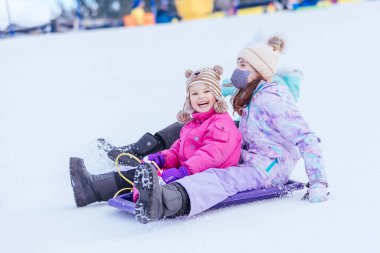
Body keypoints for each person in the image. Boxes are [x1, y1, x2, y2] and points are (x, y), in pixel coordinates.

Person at [132, 35, 329, 224]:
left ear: (258, 69)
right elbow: (220, 86)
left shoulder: (273, 98)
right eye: (237, 64)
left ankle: (164, 201)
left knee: (220, 178)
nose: (237, 70)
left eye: (242, 65)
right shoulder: (250, 92)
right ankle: (151, 158)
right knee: (201, 137)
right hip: (249, 156)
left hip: (269, 166)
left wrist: (318, 182)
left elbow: (306, 137)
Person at [70, 65, 242, 207]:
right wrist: (162, 158)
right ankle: (92, 188)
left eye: (206, 91)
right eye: (195, 94)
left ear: (216, 95)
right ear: (189, 100)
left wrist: (182, 171)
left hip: (208, 175)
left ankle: (151, 199)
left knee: (160, 181)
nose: (201, 97)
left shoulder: (221, 124)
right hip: (190, 169)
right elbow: (179, 148)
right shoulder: (194, 122)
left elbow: (211, 155)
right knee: (144, 173)